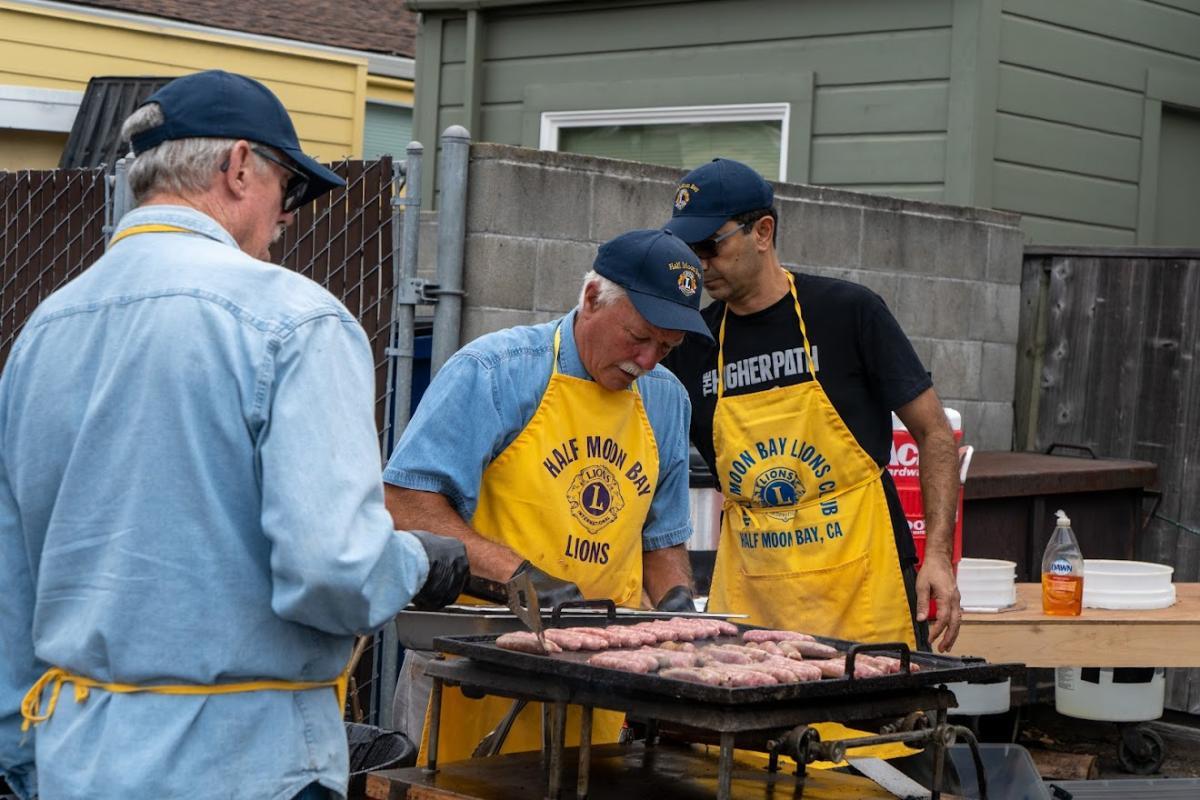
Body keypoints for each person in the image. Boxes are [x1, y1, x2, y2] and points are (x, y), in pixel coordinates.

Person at [0, 70, 468, 800]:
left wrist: (22, 762)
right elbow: (333, 573)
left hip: (75, 757)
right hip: (243, 766)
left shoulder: (43, 329)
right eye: (290, 187)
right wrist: (416, 561)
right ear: (239, 166)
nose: (288, 216)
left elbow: (10, 578)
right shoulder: (296, 319)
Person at [383, 228, 709, 763]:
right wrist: (519, 576)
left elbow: (662, 539)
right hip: (475, 664)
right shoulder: (496, 372)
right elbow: (408, 502)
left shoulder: (667, 401)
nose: (648, 361)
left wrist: (676, 603)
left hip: (597, 675)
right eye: (638, 337)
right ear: (590, 299)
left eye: (666, 348)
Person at [662, 158, 962, 653]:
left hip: (863, 582)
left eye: (711, 246)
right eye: (687, 249)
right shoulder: (693, 347)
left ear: (763, 231)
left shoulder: (848, 313)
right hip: (754, 593)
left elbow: (933, 433)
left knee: (875, 728)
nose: (700, 262)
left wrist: (938, 558)